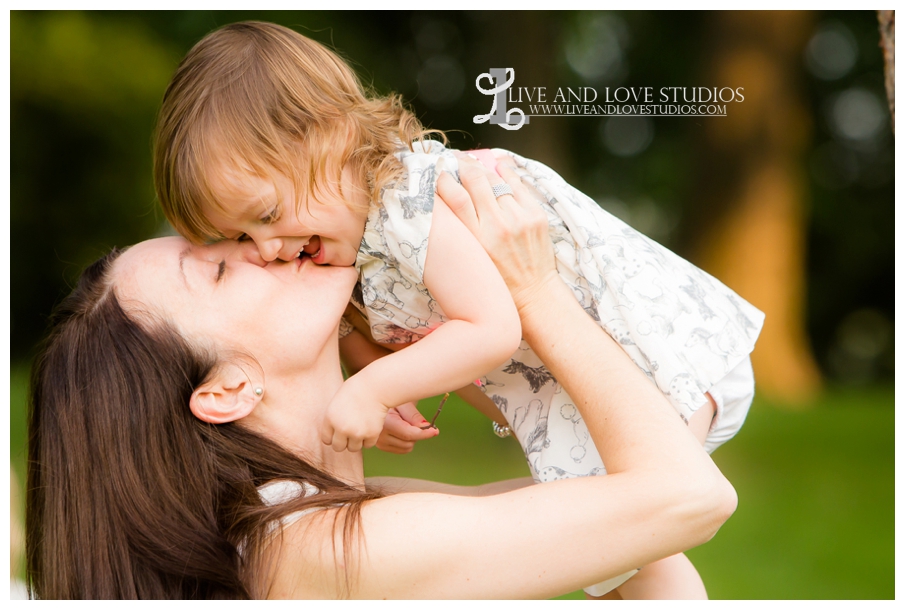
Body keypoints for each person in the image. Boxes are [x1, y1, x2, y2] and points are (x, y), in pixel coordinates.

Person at [153, 21, 762, 598]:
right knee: (621, 548)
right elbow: (371, 328)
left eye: (262, 216)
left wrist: (375, 391)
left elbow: (490, 329)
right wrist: (373, 364)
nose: (267, 251)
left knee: (639, 536)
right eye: (237, 239)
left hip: (652, 352)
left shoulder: (413, 201)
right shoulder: (347, 239)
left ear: (330, 138)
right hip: (592, 379)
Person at [26, 169, 738, 598]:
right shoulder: (310, 551)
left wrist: (404, 352)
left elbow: (617, 509)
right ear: (225, 392)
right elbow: (683, 498)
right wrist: (534, 290)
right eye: (216, 269)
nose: (258, 247)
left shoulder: (312, 521)